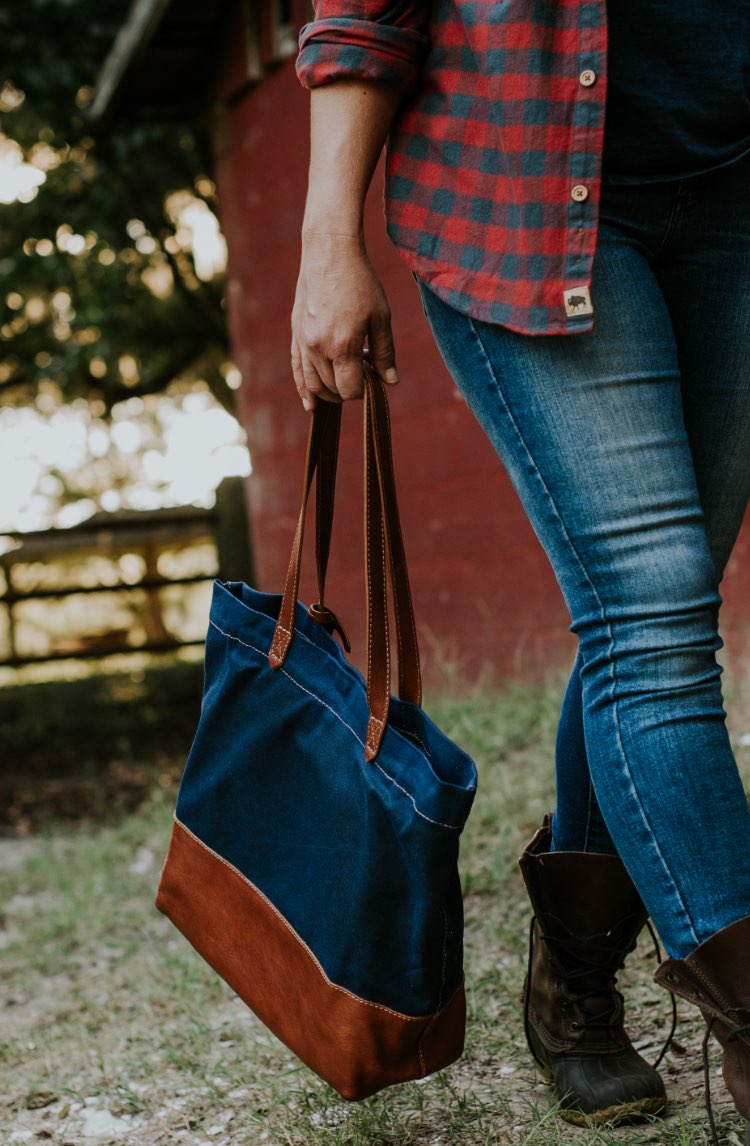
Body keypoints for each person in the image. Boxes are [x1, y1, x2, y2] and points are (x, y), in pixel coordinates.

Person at [291, 1, 750, 1138]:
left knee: (644, 618)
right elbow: (363, 18)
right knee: (654, 613)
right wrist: (325, 243)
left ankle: (573, 987)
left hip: (735, 196)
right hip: (523, 207)